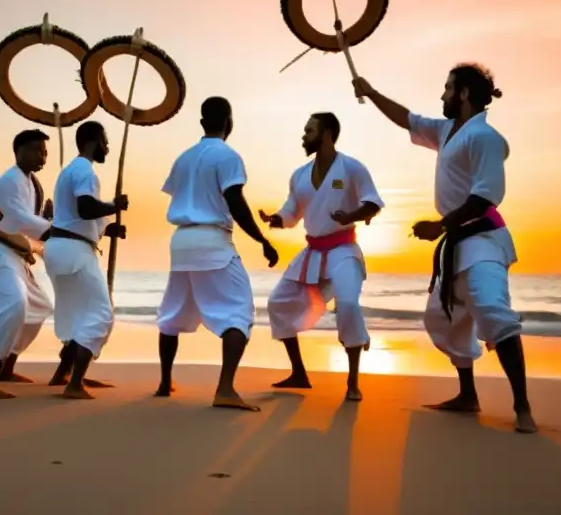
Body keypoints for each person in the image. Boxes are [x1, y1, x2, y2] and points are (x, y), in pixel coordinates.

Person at [353, 65, 537, 433]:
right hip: (457, 244)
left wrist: (440, 225)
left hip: (482, 241)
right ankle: (468, 396)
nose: (442, 96)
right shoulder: (447, 131)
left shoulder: (483, 137)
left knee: (493, 312)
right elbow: (407, 119)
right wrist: (371, 92)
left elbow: (485, 196)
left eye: (447, 88)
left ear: (464, 93)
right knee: (443, 319)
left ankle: (523, 407)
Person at [155, 97, 279, 412]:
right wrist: (261, 238)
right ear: (228, 121)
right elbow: (234, 199)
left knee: (172, 313)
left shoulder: (183, 158)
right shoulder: (228, 156)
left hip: (181, 241)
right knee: (239, 310)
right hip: (211, 240)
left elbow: (179, 193)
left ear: (202, 123)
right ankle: (225, 389)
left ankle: (164, 381)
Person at [259, 113, 383, 402]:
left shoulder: (352, 168)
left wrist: (351, 215)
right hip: (312, 253)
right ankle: (299, 373)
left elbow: (373, 203)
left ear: (326, 134)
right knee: (278, 302)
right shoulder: (300, 175)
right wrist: (277, 219)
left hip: (344, 251)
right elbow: (291, 210)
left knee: (349, 304)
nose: (303, 136)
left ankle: (353, 381)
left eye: (309, 130)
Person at [43, 120, 126, 400]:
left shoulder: (72, 170)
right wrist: (113, 206)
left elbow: (78, 216)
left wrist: (108, 227)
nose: (107, 146)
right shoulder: (84, 170)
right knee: (101, 314)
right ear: (92, 141)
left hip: (62, 247)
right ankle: (75, 383)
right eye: (104, 140)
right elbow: (86, 207)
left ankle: (64, 374)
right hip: (73, 251)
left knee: (78, 314)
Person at [0, 129, 55, 399]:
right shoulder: (7, 182)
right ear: (17, 151)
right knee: (14, 303)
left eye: (44, 151)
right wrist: (53, 229)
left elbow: (30, 224)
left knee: (39, 306)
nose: (42, 156)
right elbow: (19, 219)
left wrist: (48, 220)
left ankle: (6, 366)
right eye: (35, 150)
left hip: (18, 255)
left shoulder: (33, 183)